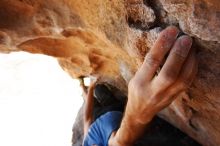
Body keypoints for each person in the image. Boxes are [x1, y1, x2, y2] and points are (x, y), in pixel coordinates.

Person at [80, 26, 198, 146]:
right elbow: (119, 142)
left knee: (100, 91)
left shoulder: (87, 141)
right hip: (116, 113)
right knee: (103, 94)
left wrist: (89, 88)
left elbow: (87, 118)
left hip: (104, 113)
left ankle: (88, 90)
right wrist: (138, 116)